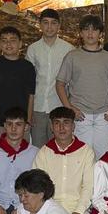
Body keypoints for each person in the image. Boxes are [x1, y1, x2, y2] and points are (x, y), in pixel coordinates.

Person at [33, 107, 96, 214]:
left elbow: (89, 186)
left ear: (73, 126)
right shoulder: (43, 152)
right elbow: (37, 187)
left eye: (66, 123)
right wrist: (50, 212)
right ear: (51, 127)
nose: (61, 127)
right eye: (57, 123)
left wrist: (79, 211)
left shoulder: (86, 151)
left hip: (78, 208)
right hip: (50, 209)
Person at [56, 14, 108, 157]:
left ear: (100, 33)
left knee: (105, 159)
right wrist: (70, 108)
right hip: (80, 116)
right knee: (80, 157)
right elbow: (60, 84)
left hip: (104, 116)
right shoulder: (72, 56)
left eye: (94, 29)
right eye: (86, 29)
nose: (90, 33)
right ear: (81, 33)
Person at [25, 8, 74, 147]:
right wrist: (29, 111)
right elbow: (28, 81)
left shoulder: (68, 49)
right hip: (38, 107)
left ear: (59, 25)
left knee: (59, 147)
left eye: (53, 23)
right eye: (45, 23)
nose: (49, 27)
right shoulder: (33, 49)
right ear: (40, 25)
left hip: (59, 105)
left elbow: (71, 81)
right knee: (38, 148)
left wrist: (69, 106)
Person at [0, 26, 36, 144]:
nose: (8, 44)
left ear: (20, 44)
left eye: (13, 40)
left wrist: (28, 121)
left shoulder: (28, 67)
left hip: (21, 123)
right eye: (4, 40)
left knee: (20, 156)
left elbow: (31, 96)